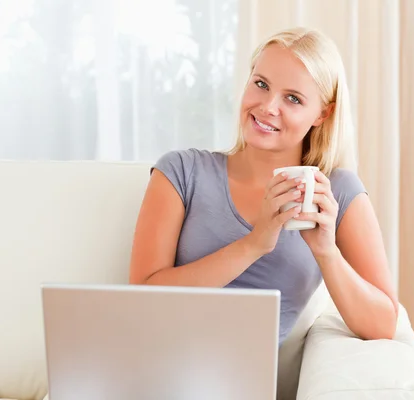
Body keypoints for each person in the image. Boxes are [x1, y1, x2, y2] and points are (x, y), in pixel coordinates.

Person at [129, 27, 398, 344]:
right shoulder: (182, 172)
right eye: (261, 84)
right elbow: (142, 300)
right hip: (155, 359)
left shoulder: (336, 192)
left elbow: (383, 325)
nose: (268, 107)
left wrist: (327, 252)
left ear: (323, 113)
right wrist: (254, 244)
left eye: (293, 98)